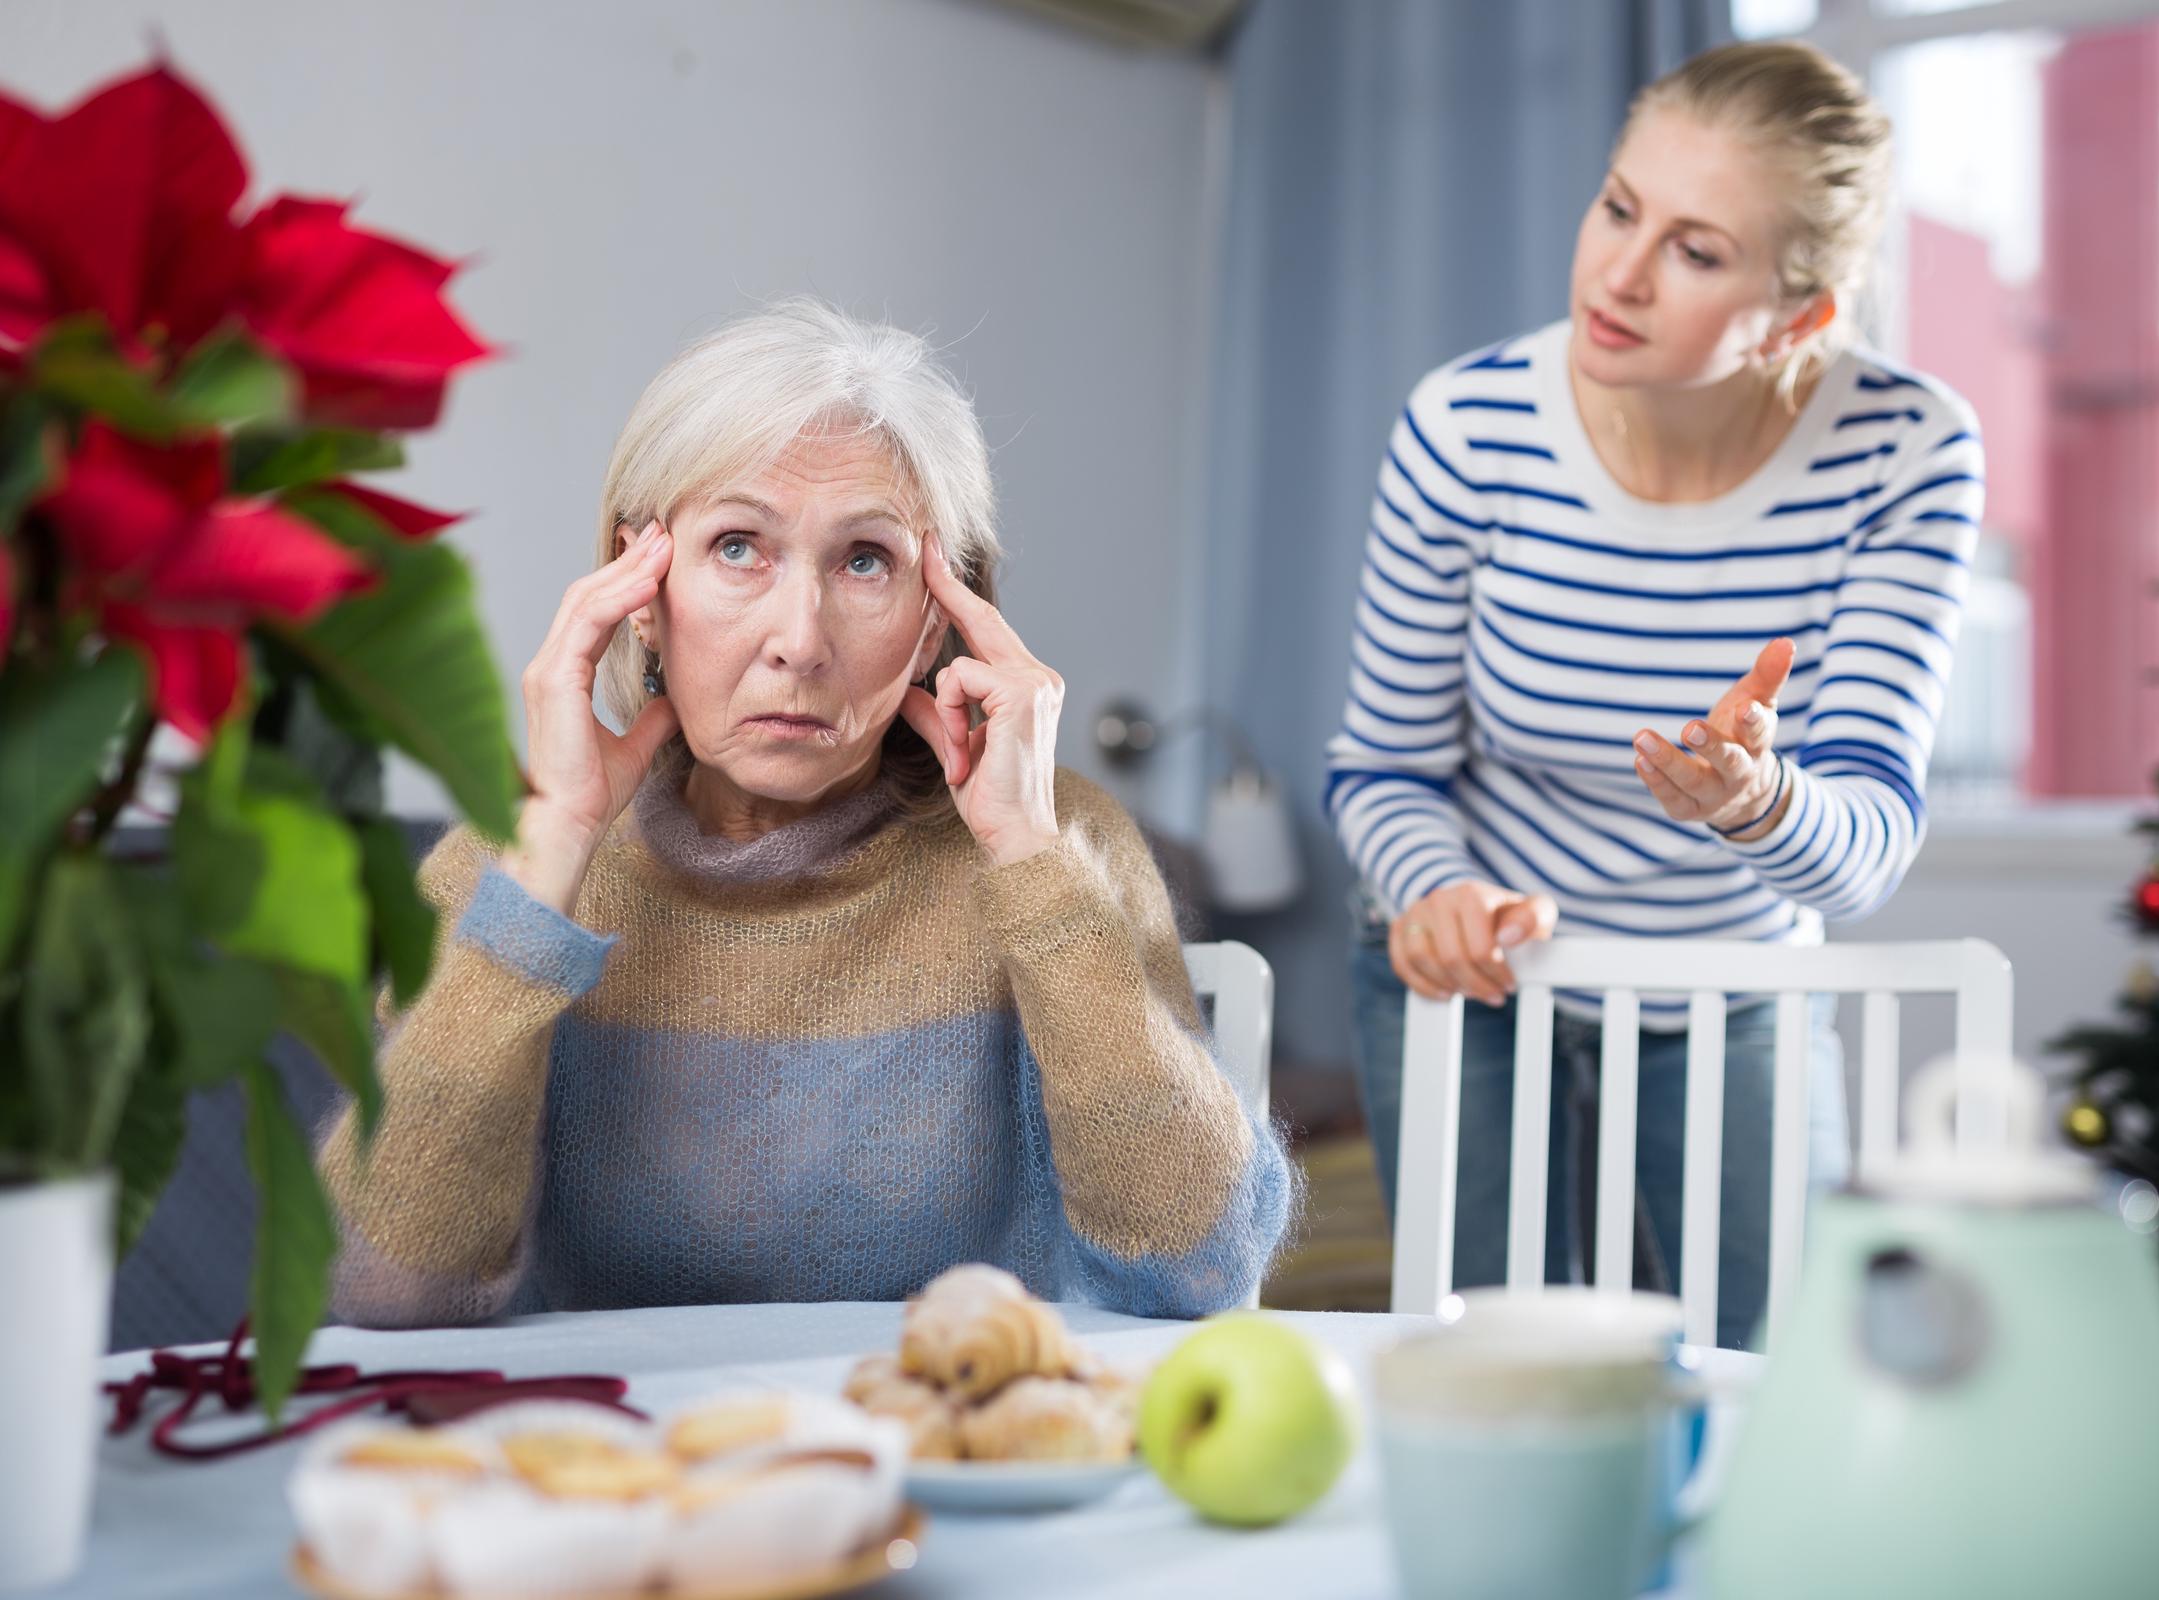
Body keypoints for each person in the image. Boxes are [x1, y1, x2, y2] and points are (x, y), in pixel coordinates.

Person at [320, 298, 1293, 1327]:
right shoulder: (503, 862)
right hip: (613, 1466)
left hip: (949, 1445)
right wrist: (550, 854)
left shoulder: (1059, 838)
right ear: (640, 590)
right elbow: (386, 1296)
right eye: (739, 546)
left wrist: (1031, 861)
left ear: (936, 622)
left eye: (865, 561)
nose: (799, 638)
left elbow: (1202, 1272)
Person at [1327, 41, 1983, 1346]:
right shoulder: (1467, 428)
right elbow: (1382, 767)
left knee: (1771, 1372)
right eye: (1620, 208)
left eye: (1696, 251)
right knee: (1497, 1372)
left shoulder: (1909, 448)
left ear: (1800, 316)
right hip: (1479, 963)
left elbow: (1862, 857)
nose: (1618, 275)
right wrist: (1439, 896)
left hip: (1734, 972)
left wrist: (1761, 803)